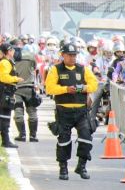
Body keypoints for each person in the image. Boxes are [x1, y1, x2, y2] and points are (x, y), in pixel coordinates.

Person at [44, 43, 98, 180]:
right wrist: (66, 89)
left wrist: (80, 88)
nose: (73, 58)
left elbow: (93, 85)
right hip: (63, 111)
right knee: (64, 140)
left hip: (81, 111)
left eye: (74, 55)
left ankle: (82, 166)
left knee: (86, 138)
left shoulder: (83, 69)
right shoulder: (55, 70)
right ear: (63, 55)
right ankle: (63, 168)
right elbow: (49, 88)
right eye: (70, 55)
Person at [12, 47, 39, 142]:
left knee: (18, 112)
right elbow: (35, 68)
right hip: (29, 88)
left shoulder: (11, 57)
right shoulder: (31, 56)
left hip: (16, 88)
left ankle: (22, 135)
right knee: (32, 112)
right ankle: (33, 136)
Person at [0, 43, 21, 148]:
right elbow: (4, 78)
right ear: (8, 51)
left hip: (8, 92)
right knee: (4, 117)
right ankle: (5, 141)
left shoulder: (9, 62)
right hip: (4, 93)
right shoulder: (5, 62)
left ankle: (6, 140)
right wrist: (16, 79)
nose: (14, 52)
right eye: (12, 50)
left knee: (5, 116)